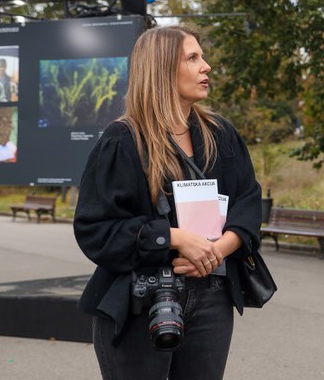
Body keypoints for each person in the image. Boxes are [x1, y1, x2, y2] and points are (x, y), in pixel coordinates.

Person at [73, 25, 262, 380]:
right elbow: (95, 229)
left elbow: (249, 202)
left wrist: (218, 249)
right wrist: (173, 238)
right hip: (141, 299)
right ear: (161, 70)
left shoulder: (221, 135)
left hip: (212, 296)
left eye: (202, 56)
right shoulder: (123, 140)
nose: (206, 66)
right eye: (193, 58)